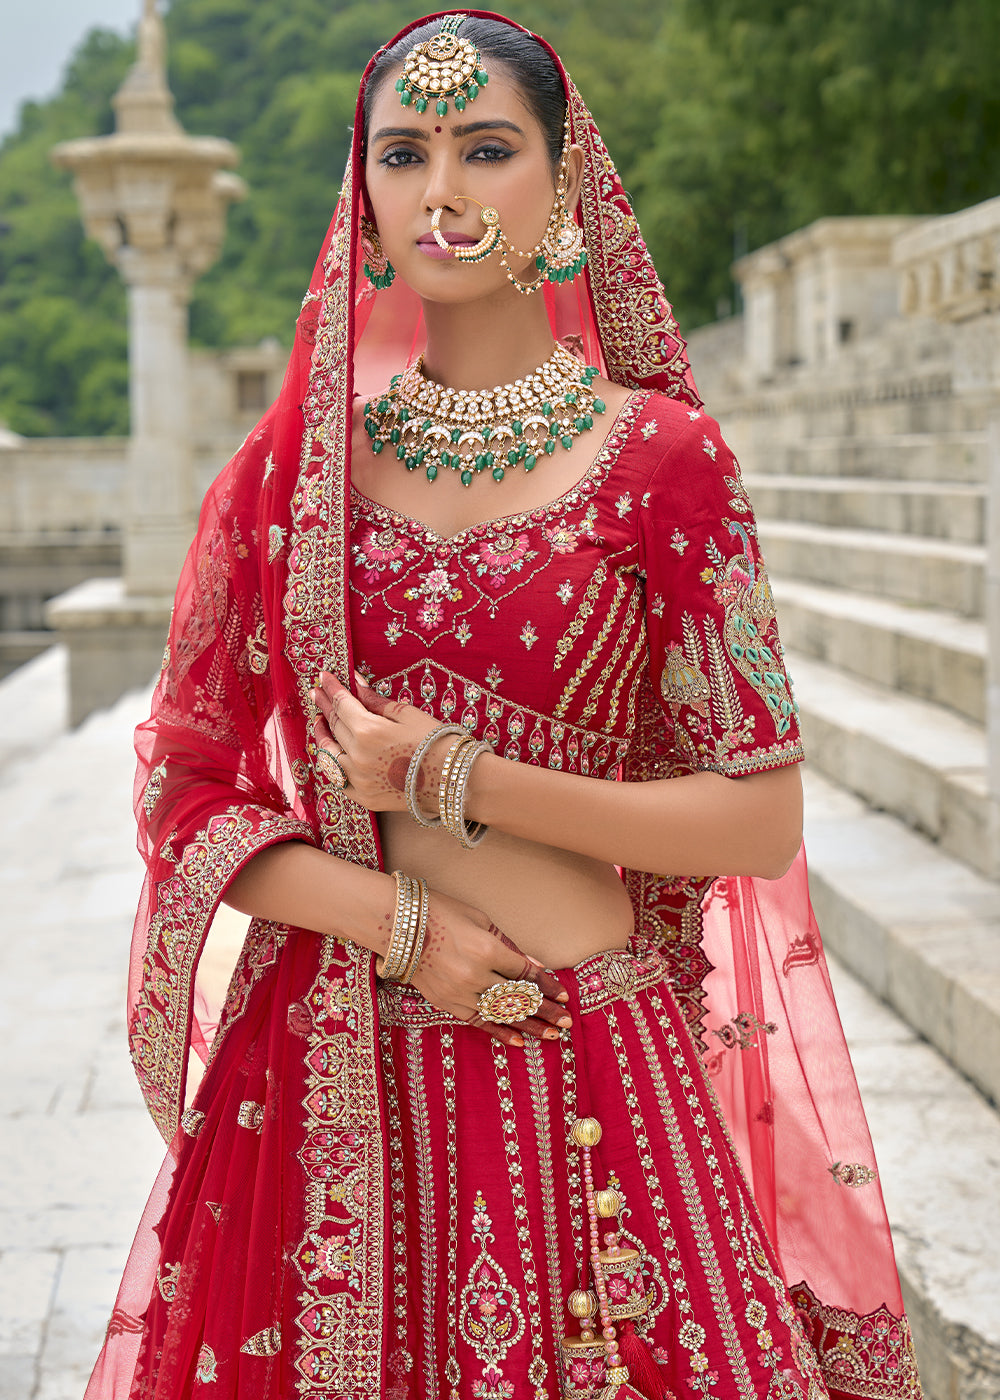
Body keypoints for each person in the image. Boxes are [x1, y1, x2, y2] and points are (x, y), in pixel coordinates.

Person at [87, 12, 924, 1399]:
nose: (444, 192)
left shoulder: (664, 461)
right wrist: (403, 927)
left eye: (487, 149)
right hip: (332, 1072)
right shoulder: (294, 478)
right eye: (404, 155)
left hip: (593, 1055)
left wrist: (450, 778)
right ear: (363, 196)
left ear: (566, 185)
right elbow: (187, 788)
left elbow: (759, 819)